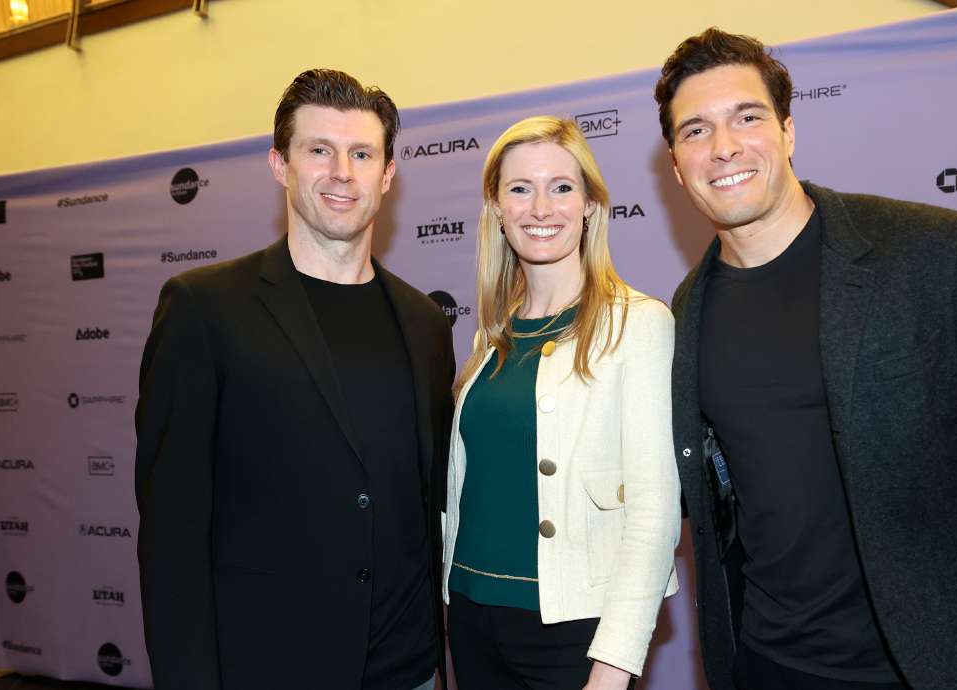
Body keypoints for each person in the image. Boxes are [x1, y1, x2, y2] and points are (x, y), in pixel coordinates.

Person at [655, 28, 957, 690]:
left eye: (748, 117)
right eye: (696, 131)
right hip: (767, 667)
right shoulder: (685, 312)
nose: (725, 146)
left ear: (789, 131)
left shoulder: (932, 254)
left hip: (933, 670)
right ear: (677, 166)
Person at [134, 69, 453, 690]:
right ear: (280, 165)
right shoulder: (205, 309)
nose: (342, 172)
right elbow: (171, 532)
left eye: (362, 154)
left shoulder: (424, 322)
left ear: (387, 175)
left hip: (407, 670)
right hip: (267, 667)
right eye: (319, 151)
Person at [441, 116, 681, 690]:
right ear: (497, 208)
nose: (540, 207)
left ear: (591, 206)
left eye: (562, 187)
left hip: (575, 633)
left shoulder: (638, 325)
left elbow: (655, 508)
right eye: (520, 188)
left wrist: (614, 664)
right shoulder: (488, 338)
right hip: (472, 619)